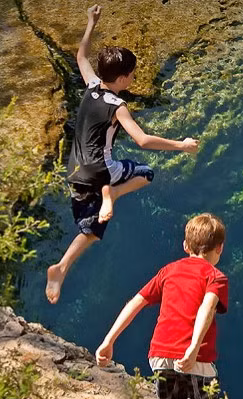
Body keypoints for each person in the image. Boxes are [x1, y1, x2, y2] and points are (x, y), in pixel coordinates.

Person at [45, 4, 199, 304]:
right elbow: (142, 140)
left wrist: (91, 22)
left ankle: (61, 267)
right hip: (102, 171)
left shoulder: (91, 86)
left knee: (89, 228)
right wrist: (182, 145)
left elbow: (80, 56)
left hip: (75, 171)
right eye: (131, 75)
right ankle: (112, 195)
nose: (132, 79)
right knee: (146, 175)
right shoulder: (118, 106)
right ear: (123, 78)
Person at [95, 213, 238, 399]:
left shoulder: (169, 271)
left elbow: (136, 303)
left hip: (159, 354)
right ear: (220, 248)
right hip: (196, 358)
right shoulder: (216, 277)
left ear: (185, 246)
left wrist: (108, 340)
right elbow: (207, 307)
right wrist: (193, 348)